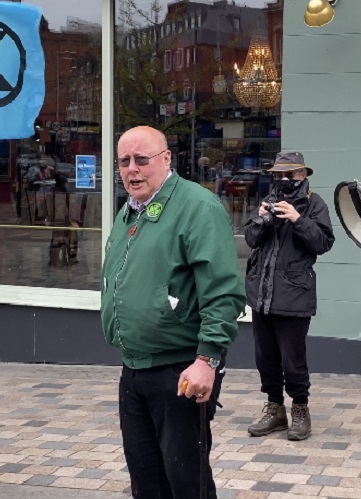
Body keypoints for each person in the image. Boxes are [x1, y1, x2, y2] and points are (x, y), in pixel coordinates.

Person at [100, 126, 245, 498]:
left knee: (186, 481)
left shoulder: (197, 207)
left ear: (167, 159)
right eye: (124, 161)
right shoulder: (130, 211)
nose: (132, 169)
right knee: (146, 480)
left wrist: (207, 359)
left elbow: (223, 292)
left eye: (142, 160)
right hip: (134, 367)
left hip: (181, 370)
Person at [243, 151, 335, 441]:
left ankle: (300, 409)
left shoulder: (314, 204)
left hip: (294, 295)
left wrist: (297, 219)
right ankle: (274, 408)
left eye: (290, 175)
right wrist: (260, 220)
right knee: (265, 357)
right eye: (279, 175)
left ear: (302, 175)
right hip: (263, 294)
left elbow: (322, 243)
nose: (284, 180)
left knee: (293, 360)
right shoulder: (269, 199)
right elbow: (250, 240)